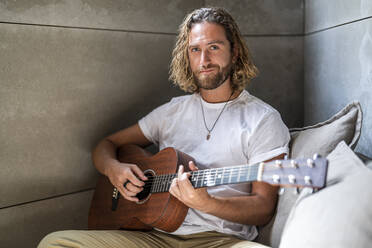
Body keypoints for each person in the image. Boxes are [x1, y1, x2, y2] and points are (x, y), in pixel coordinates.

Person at [38, 7, 290, 248]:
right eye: (195, 49)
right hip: (155, 238)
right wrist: (114, 170)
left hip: (221, 241)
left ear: (234, 52)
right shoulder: (172, 112)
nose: (204, 60)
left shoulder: (262, 119)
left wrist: (207, 202)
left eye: (214, 47)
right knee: (55, 243)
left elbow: (263, 207)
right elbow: (106, 146)